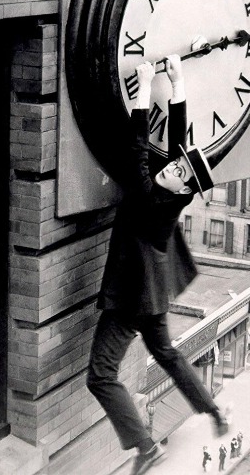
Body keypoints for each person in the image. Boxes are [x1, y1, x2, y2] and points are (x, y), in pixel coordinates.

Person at [85, 57, 229, 475]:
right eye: (175, 164)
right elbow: (178, 149)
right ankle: (213, 411)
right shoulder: (175, 194)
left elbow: (137, 150)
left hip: (132, 296)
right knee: (166, 353)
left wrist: (145, 88)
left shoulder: (150, 196)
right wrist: (178, 83)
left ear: (183, 186)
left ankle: (146, 448)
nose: (171, 165)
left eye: (178, 171)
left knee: (101, 375)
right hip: (152, 292)